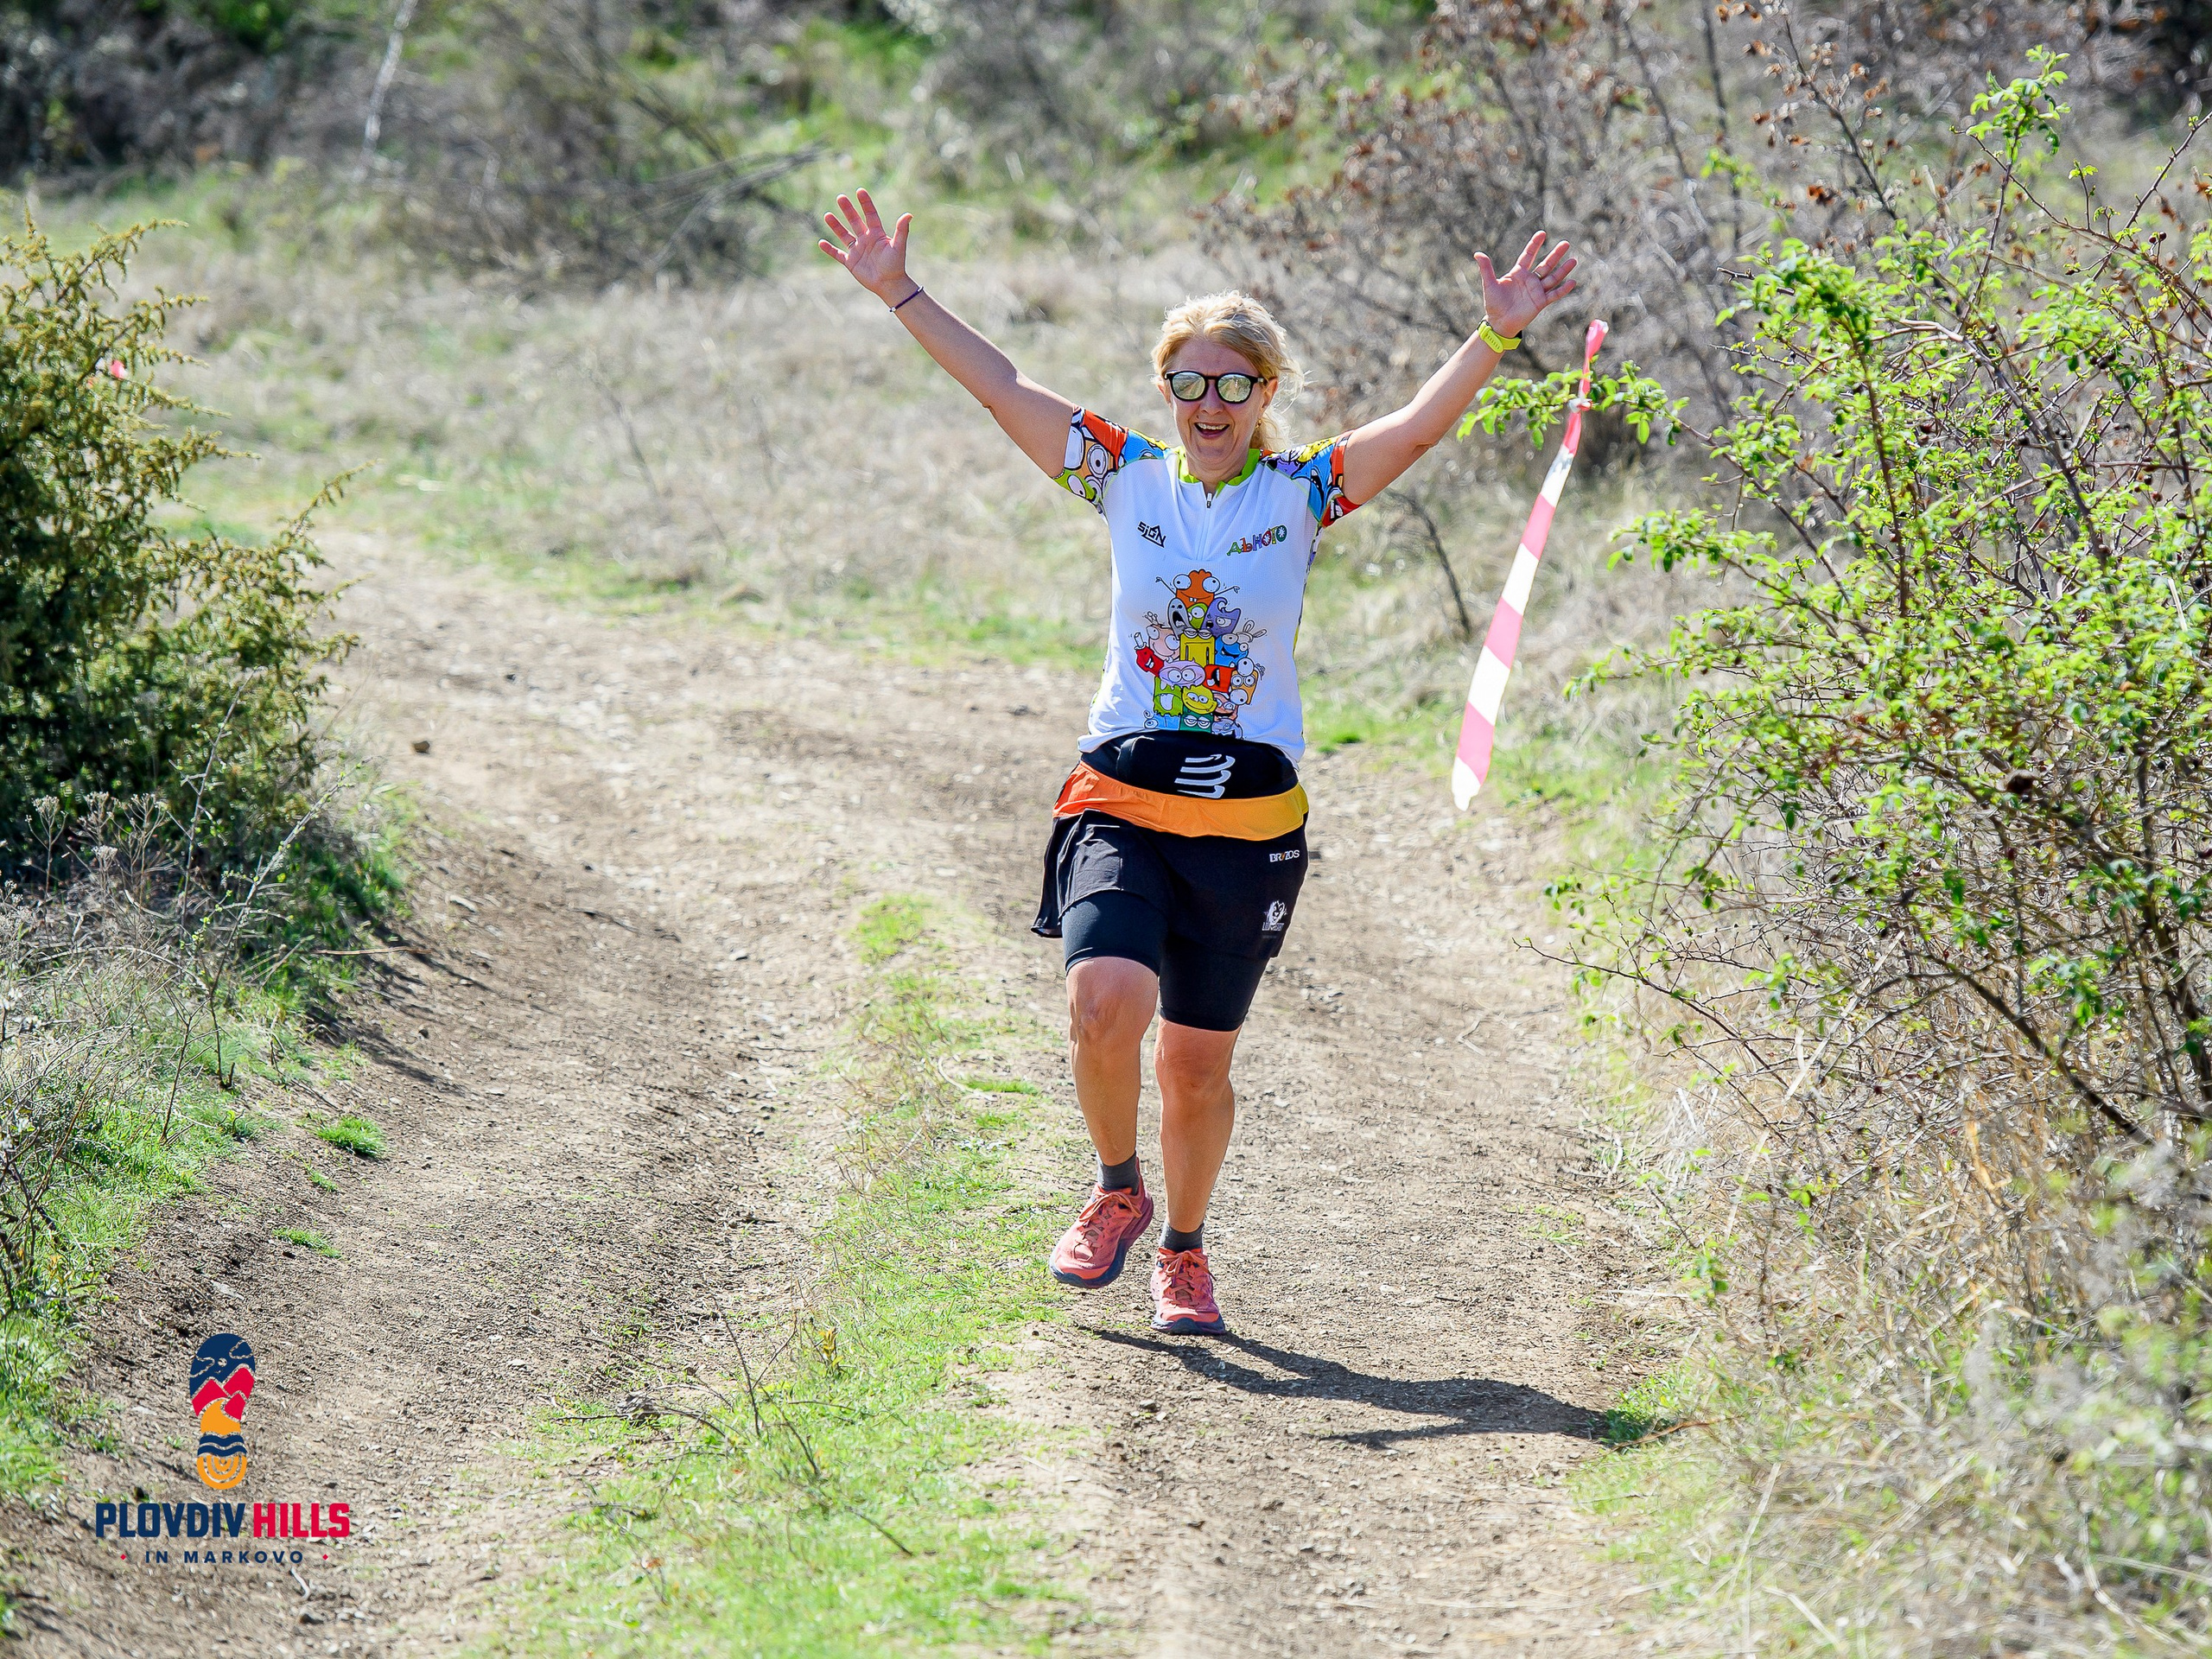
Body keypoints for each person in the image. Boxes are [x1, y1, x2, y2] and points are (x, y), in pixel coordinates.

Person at [819, 189, 1577, 1335]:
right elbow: (1001, 386)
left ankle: (1185, 1248)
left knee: (1194, 1069)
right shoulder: (1125, 474)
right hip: (1120, 796)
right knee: (1102, 997)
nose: (1209, 402)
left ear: (1265, 394)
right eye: (1189, 380)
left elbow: (1416, 431)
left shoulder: (1302, 492)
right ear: (1165, 392)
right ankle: (1118, 1191)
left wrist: (1498, 333)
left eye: (1233, 382)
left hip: (1248, 827)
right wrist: (900, 293)